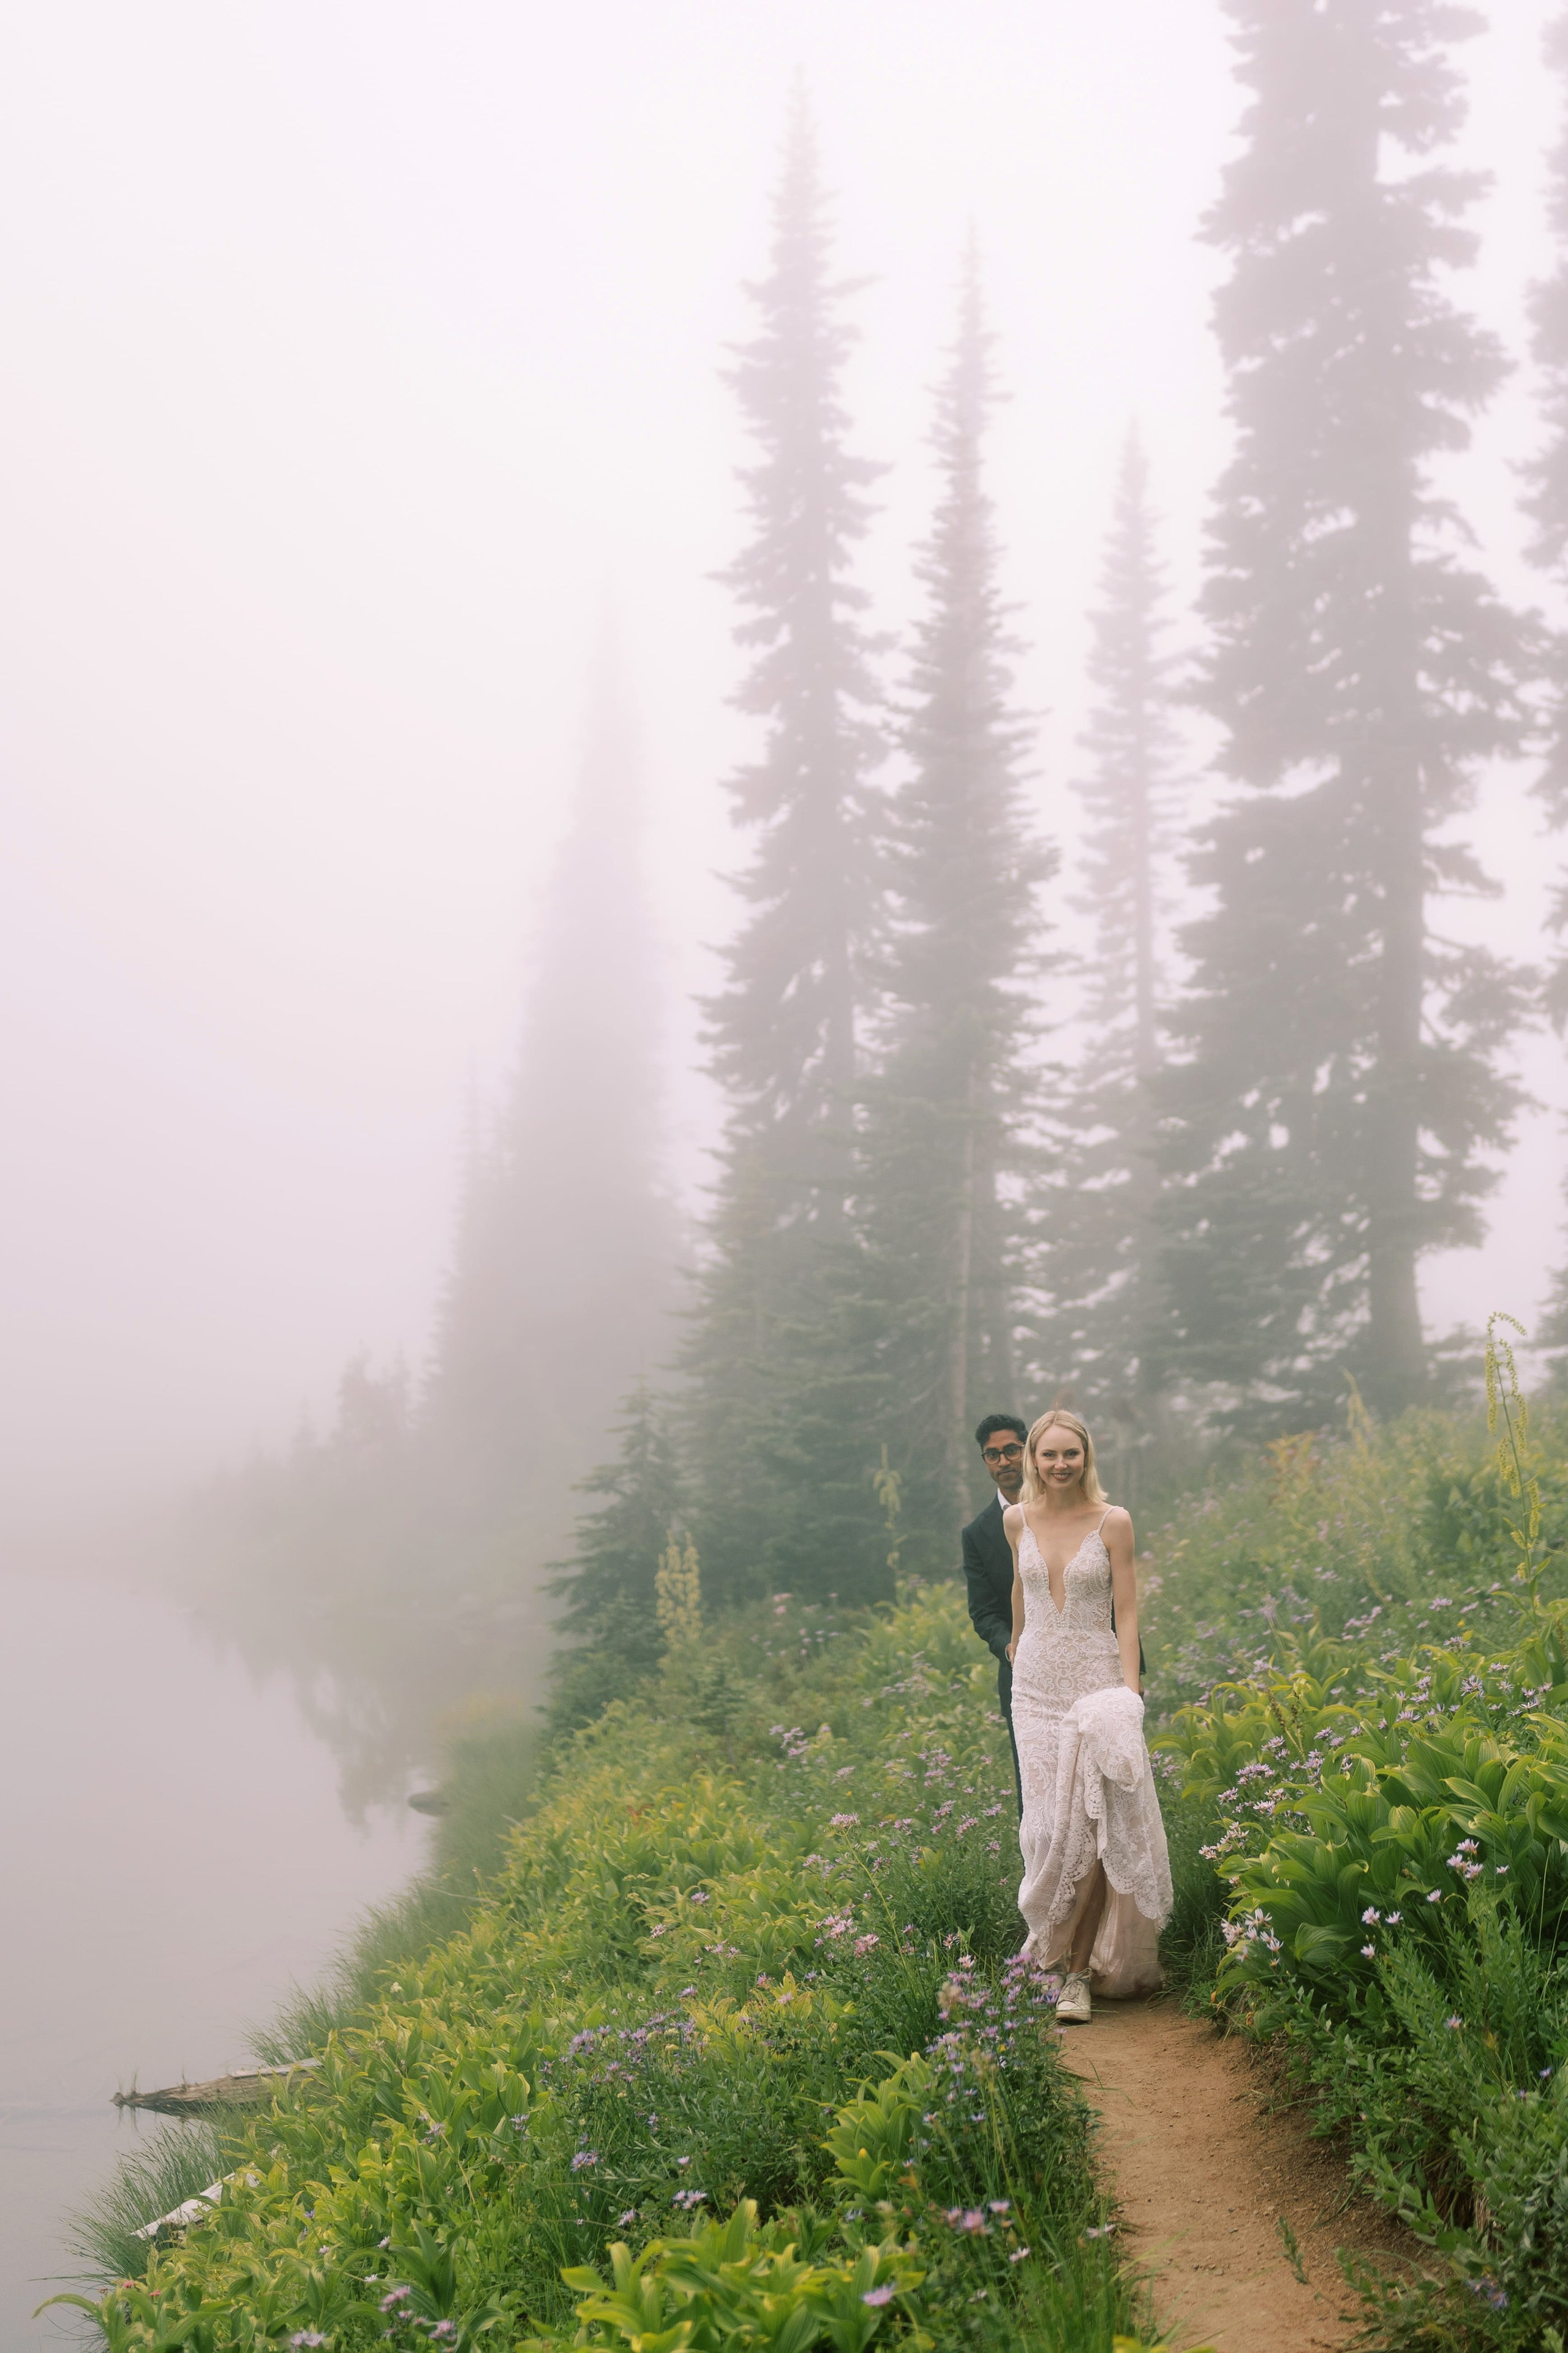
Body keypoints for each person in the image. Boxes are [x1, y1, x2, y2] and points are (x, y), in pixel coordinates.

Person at [1005, 1408, 1171, 2022]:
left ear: (1085, 1456)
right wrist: (1017, 1642)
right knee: (1046, 1829)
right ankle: (1046, 1952)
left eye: (1069, 1454)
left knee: (1094, 1830)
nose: (1059, 1464)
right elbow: (1021, 1594)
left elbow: (1125, 1611)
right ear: (1033, 1459)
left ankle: (1072, 1976)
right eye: (1048, 1455)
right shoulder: (1014, 1519)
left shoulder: (1113, 1521)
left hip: (1097, 1687)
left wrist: (1130, 1693)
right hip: (1035, 1691)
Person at [962, 1414, 1029, 1812]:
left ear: (1028, 1451)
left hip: (1082, 1667)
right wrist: (1011, 1647)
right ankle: (1041, 1875)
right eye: (992, 1454)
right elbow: (984, 1612)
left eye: (1011, 1450)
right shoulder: (977, 1533)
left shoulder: (1067, 1511)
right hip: (1021, 1677)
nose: (1003, 1461)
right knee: (1035, 1791)